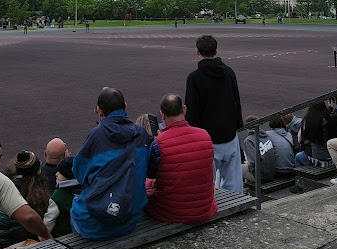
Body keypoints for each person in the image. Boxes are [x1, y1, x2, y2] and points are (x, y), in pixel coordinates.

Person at [71, 88, 151, 240]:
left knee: (76, 209)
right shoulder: (141, 134)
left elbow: (79, 172)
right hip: (129, 218)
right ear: (125, 106)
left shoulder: (96, 135)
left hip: (94, 224)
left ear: (99, 111)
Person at [185, 35, 244, 194]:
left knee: (206, 183)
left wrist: (191, 135)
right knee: (234, 183)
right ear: (216, 50)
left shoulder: (195, 77)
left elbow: (192, 110)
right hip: (229, 134)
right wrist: (238, 124)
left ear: (197, 52)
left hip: (207, 138)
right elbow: (235, 100)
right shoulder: (229, 72)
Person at [145, 94, 216, 223]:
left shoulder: (159, 143)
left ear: (162, 115)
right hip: (204, 208)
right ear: (184, 109)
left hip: (172, 210)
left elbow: (150, 173)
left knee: (146, 185)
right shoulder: (205, 135)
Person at [0, 151, 58, 249]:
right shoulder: (37, 195)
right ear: (38, 171)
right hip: (14, 243)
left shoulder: (4, 183)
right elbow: (32, 220)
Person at [294, 103, 337, 168]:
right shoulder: (331, 117)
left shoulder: (308, 120)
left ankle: (299, 175)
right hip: (335, 155)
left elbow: (300, 139)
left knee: (298, 156)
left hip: (317, 157)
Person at [50, 156, 82, 236]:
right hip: (81, 232)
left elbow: (49, 219)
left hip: (62, 235)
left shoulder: (58, 195)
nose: (56, 174)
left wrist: (44, 236)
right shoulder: (86, 189)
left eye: (60, 172)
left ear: (68, 175)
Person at [241, 116, 276, 184]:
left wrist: (248, 165)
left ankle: (243, 191)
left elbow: (253, 163)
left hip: (262, 176)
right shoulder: (266, 135)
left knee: (238, 167)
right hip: (272, 172)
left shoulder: (249, 140)